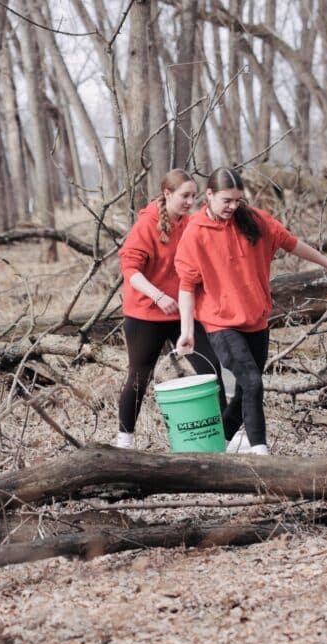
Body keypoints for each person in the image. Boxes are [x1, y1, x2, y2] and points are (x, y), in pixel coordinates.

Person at [174, 167, 327, 455]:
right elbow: (186, 286)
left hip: (257, 320)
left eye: (237, 200)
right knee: (251, 381)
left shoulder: (255, 221)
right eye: (226, 201)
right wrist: (186, 331)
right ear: (208, 195)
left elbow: (292, 244)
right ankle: (260, 450)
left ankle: (218, 443)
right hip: (220, 323)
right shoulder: (195, 233)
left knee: (247, 389)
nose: (233, 207)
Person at [115, 169, 225, 449]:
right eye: (184, 196)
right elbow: (130, 271)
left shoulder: (190, 224)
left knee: (210, 367)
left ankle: (227, 435)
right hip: (145, 315)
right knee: (139, 377)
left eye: (193, 196)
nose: (190, 201)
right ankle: (124, 441)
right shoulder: (146, 224)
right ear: (167, 194)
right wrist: (158, 296)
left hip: (183, 313)